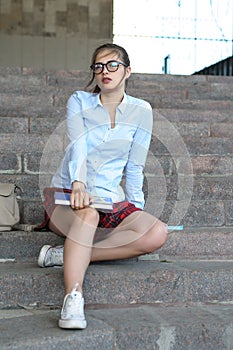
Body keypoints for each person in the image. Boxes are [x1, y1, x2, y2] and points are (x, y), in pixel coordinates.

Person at [37, 43, 168, 330]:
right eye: (98, 66)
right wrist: (78, 183)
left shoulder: (141, 110)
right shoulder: (80, 101)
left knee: (156, 233)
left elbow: (135, 167)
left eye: (112, 65)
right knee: (89, 214)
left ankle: (67, 254)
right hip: (68, 193)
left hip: (110, 199)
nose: (104, 71)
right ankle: (73, 298)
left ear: (127, 71)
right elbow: (77, 147)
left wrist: (136, 210)